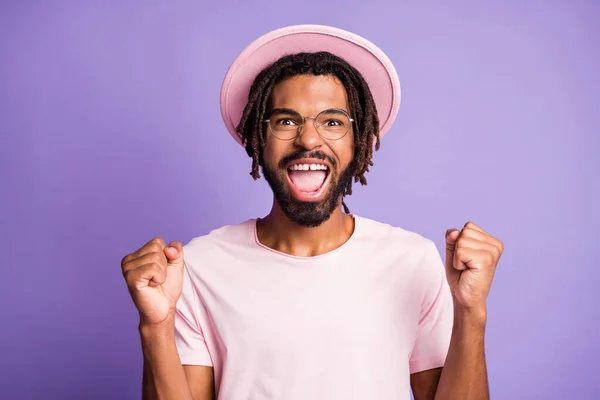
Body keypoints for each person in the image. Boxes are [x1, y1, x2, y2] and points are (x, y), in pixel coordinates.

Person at [121, 25, 504, 400]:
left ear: (360, 142)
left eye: (333, 122)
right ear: (258, 138)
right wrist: (155, 326)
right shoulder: (199, 267)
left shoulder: (411, 260)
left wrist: (472, 313)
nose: (308, 138)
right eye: (286, 121)